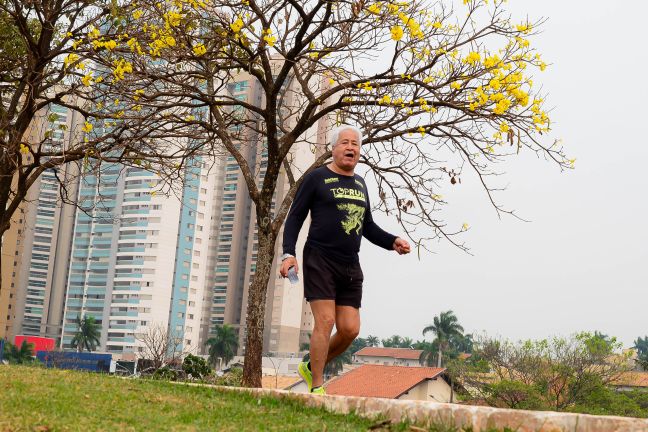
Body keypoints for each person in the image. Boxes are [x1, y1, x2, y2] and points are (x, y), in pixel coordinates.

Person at [280, 124, 411, 395]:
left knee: (350, 329)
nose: (351, 147)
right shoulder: (317, 178)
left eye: (355, 144)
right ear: (333, 148)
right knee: (325, 321)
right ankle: (317, 387)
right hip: (320, 258)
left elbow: (368, 226)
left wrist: (392, 242)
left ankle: (312, 365)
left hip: (350, 263)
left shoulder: (360, 183)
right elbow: (295, 217)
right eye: (345, 143)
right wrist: (288, 253)